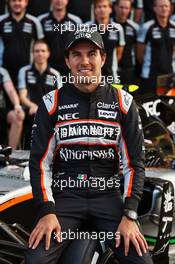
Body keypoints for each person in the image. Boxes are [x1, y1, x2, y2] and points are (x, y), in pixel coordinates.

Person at [25, 29, 153, 264]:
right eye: (76, 54)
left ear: (103, 58)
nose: (84, 61)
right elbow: (39, 162)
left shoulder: (124, 103)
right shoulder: (51, 103)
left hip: (108, 196)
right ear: (67, 61)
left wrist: (130, 214)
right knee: (35, 259)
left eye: (91, 53)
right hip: (66, 197)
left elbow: (134, 164)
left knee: (141, 260)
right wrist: (47, 211)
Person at [18, 39, 62, 149]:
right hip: (30, 110)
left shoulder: (55, 74)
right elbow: (22, 96)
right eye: (36, 51)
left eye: (43, 51)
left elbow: (60, 96)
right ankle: (25, 152)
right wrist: (32, 106)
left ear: (48, 53)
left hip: (49, 111)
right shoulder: (25, 71)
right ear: (32, 53)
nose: (40, 54)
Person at [0, 0, 44, 86]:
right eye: (13, 1)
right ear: (9, 3)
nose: (17, 3)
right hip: (5, 71)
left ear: (26, 2)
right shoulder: (1, 21)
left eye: (20, 0)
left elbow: (41, 45)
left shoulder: (34, 22)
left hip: (28, 71)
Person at [137, 0, 175, 95]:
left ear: (170, 8)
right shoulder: (147, 27)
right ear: (155, 8)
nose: (164, 8)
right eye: (161, 6)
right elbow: (139, 53)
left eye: (166, 6)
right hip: (150, 76)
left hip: (168, 75)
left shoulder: (174, 27)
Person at [39, 0, 82, 76]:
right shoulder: (41, 20)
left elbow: (80, 45)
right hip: (48, 68)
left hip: (69, 67)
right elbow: (37, 44)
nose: (59, 1)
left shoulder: (76, 21)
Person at [86, 0, 125, 81]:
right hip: (91, 74)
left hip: (111, 74)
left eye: (105, 6)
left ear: (110, 9)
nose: (102, 9)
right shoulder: (86, 27)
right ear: (94, 10)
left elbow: (119, 53)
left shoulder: (118, 28)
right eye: (99, 7)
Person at [114, 0, 139, 84]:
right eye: (121, 7)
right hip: (112, 69)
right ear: (115, 7)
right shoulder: (108, 25)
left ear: (130, 10)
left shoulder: (135, 27)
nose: (123, 11)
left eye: (126, 8)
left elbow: (138, 50)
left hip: (129, 69)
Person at [0, 67, 25, 149]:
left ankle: (10, 154)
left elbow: (11, 90)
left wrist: (17, 105)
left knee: (17, 117)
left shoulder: (2, 71)